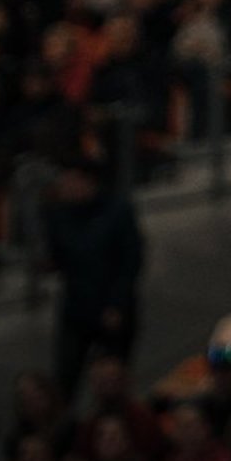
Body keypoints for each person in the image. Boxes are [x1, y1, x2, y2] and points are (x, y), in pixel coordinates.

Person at [44, 160, 145, 394]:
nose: (65, 188)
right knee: (65, 377)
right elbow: (58, 257)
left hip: (111, 306)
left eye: (70, 181)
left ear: (86, 181)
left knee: (112, 378)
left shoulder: (117, 211)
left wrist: (117, 304)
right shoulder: (59, 215)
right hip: (77, 306)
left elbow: (130, 261)